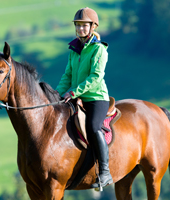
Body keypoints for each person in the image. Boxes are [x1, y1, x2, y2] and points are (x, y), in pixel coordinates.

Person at [56, 7, 113, 188]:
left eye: (84, 26)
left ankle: (105, 172)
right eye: (78, 26)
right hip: (77, 96)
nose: (80, 29)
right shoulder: (74, 50)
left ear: (92, 27)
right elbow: (67, 75)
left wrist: (73, 92)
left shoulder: (99, 50)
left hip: (96, 98)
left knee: (94, 126)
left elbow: (95, 78)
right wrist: (56, 95)